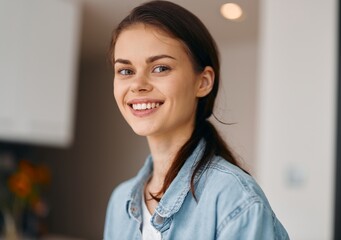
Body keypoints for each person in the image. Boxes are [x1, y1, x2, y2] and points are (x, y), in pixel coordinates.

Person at [104, 1, 289, 239]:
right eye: (126, 71)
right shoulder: (120, 201)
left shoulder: (235, 198)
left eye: (160, 68)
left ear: (203, 82)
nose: (138, 85)